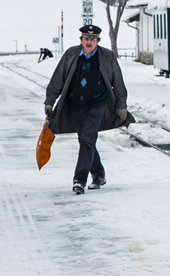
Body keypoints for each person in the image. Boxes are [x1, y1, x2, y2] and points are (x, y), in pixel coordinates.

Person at [44, 24, 130, 195]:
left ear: (98, 41)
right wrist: (50, 101)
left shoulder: (107, 57)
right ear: (81, 40)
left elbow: (118, 81)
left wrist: (121, 105)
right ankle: (98, 174)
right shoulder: (71, 54)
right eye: (86, 39)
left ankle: (79, 179)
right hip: (75, 104)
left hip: (97, 104)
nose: (89, 42)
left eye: (93, 39)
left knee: (88, 138)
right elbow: (58, 79)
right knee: (85, 140)